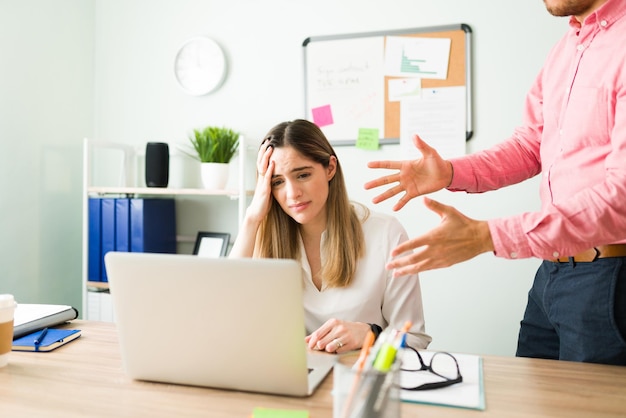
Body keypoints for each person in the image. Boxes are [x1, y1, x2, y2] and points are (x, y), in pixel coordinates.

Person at [364, 0, 626, 366]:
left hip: (610, 277)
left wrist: (489, 236)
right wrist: (451, 172)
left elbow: (621, 199)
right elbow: (530, 144)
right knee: (532, 400)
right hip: (550, 272)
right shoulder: (565, 50)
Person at [229, 119, 431, 353]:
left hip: (360, 377)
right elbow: (227, 319)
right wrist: (252, 218)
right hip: (289, 378)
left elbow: (416, 340)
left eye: (302, 175)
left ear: (330, 168)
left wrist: (371, 334)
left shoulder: (386, 233)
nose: (293, 193)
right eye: (278, 182)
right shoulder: (261, 237)